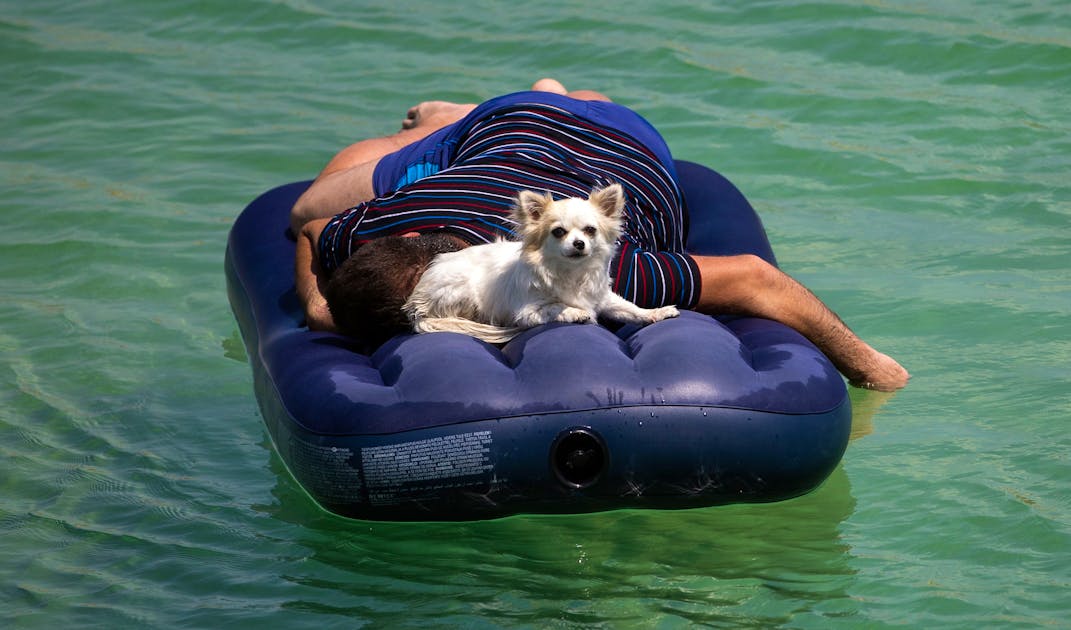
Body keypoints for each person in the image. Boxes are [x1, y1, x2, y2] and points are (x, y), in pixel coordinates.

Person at [291, 79, 910, 391]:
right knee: (579, 95)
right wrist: (324, 306)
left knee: (304, 202)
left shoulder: (591, 267)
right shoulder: (390, 220)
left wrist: (873, 370)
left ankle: (446, 121)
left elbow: (755, 278)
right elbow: (317, 228)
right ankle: (522, 100)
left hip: (617, 138)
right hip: (515, 127)